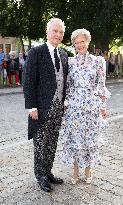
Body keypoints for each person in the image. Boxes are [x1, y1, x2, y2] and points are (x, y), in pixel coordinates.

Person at [59, 29, 110, 185]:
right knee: (75, 140)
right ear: (74, 44)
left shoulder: (98, 61)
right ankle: (75, 171)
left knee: (89, 141)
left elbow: (101, 86)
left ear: (88, 42)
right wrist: (66, 105)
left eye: (82, 42)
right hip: (74, 108)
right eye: (77, 42)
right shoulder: (70, 61)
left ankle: (88, 170)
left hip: (91, 107)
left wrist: (103, 106)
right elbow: (68, 86)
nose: (80, 45)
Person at [23, 18, 68, 192]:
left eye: (61, 32)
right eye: (55, 31)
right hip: (40, 108)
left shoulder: (63, 54)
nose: (58, 34)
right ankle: (40, 175)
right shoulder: (36, 52)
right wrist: (31, 106)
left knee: (52, 142)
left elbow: (64, 81)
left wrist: (64, 101)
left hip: (58, 107)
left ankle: (48, 171)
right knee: (41, 143)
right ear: (47, 32)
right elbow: (28, 81)